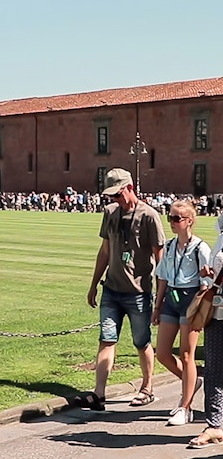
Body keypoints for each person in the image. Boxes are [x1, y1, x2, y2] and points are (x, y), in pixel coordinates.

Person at [86, 168, 166, 410]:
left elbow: (160, 259)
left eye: (118, 194)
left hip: (139, 293)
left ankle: (147, 387)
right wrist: (93, 285)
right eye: (111, 196)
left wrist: (161, 300)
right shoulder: (110, 212)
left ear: (130, 188)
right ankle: (99, 393)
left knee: (141, 343)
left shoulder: (149, 216)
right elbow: (105, 251)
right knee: (106, 340)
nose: (115, 200)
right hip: (111, 290)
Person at [153, 201, 211, 425]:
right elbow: (162, 277)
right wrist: (157, 307)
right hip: (171, 299)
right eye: (170, 218)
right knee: (163, 353)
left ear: (189, 221)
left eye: (177, 219)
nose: (172, 223)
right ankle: (192, 382)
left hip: (191, 299)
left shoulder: (200, 248)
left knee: (187, 354)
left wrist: (202, 311)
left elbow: (207, 282)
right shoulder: (168, 246)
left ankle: (185, 407)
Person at [188, 215, 223, 448]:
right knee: (214, 369)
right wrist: (210, 275)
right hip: (217, 310)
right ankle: (214, 425)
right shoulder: (221, 229)